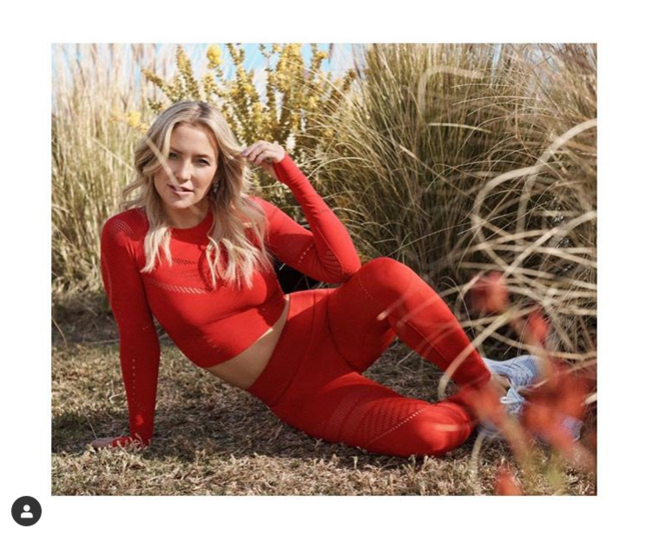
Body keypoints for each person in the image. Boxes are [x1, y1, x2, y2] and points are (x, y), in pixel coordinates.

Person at [91, 100, 541, 458]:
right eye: (172, 155)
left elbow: (341, 268)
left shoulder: (247, 215)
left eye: (200, 161)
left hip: (327, 327)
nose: (183, 173)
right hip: (299, 390)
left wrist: (291, 174)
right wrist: (138, 432)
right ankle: (489, 393)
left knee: (385, 274)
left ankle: (485, 383)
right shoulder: (126, 235)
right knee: (427, 434)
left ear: (218, 169)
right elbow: (137, 338)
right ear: (152, 156)